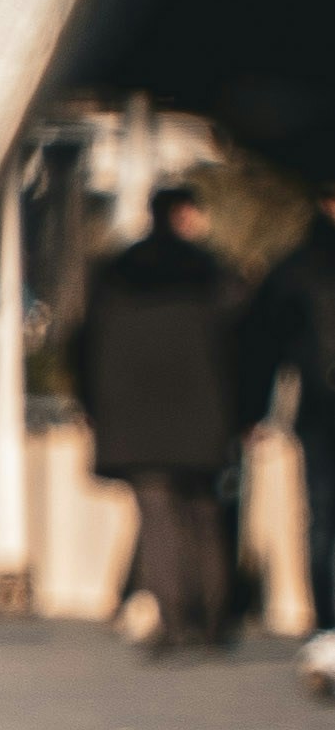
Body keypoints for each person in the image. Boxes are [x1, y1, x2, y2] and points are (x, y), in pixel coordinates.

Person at [75, 182, 248, 651]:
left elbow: (83, 345)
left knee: (157, 517)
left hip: (135, 420)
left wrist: (95, 408)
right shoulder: (214, 274)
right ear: (184, 214)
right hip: (205, 415)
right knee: (206, 515)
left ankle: (174, 621)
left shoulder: (117, 273)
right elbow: (245, 347)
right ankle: (211, 622)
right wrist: (245, 412)